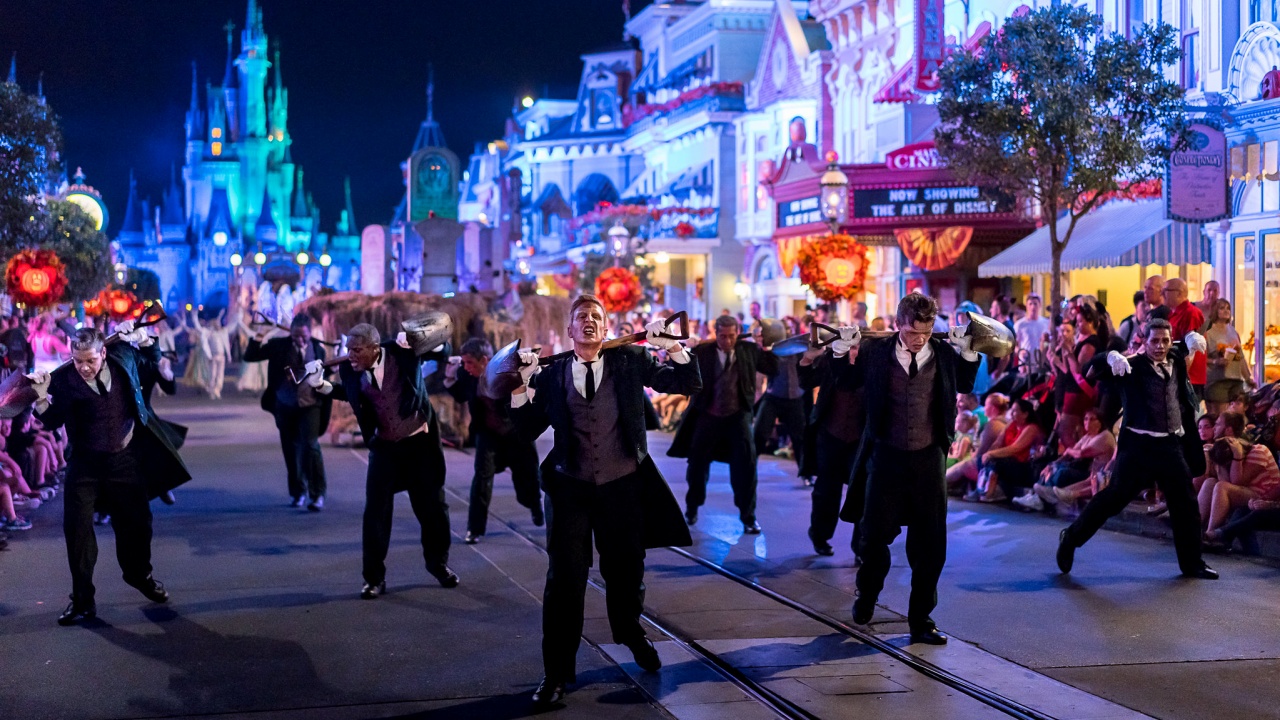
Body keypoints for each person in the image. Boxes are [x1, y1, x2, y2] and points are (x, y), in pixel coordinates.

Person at [508, 295, 701, 707]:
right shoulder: (553, 372)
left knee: (626, 571)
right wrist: (522, 386)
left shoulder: (630, 361)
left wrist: (670, 346)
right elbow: (523, 431)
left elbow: (687, 384)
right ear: (570, 330)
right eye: (582, 318)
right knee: (564, 580)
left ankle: (631, 632)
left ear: (607, 327)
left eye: (596, 316)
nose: (590, 322)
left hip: (622, 486)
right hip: (570, 486)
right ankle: (556, 673)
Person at [836, 293, 981, 646]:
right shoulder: (875, 352)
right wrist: (842, 351)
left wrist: (969, 351)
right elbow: (847, 383)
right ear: (899, 324)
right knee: (872, 538)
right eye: (914, 331)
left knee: (930, 544)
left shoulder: (944, 354)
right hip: (885, 454)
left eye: (928, 330)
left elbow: (965, 384)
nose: (920, 338)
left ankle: (921, 619)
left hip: (929, 457)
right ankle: (867, 593)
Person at [28, 325, 191, 626]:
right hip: (84, 465)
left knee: (138, 525)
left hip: (123, 458)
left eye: (90, 360)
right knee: (76, 531)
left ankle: (140, 575)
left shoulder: (123, 358)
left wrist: (144, 338)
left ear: (103, 352)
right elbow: (52, 421)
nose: (84, 367)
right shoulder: (63, 380)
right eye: (78, 361)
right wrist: (41, 397)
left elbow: (152, 357)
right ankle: (82, 601)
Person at [1057, 318, 1218, 580]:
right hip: (1138, 447)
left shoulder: (1175, 359)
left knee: (1185, 503)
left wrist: (1189, 338)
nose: (1160, 346)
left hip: (1169, 444)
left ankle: (1192, 564)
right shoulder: (1129, 366)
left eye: (1165, 340)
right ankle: (1071, 538)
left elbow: (1180, 347)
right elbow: (1090, 368)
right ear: (1144, 341)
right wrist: (1110, 356)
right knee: (1114, 498)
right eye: (1154, 341)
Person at [311, 323, 459, 598]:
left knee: (433, 509)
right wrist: (322, 386)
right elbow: (351, 394)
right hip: (385, 447)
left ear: (374, 348)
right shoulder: (350, 369)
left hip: (419, 445)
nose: (350, 355)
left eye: (356, 350)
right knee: (376, 513)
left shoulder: (403, 353)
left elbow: (444, 351)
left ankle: (439, 564)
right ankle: (374, 578)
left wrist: (427, 342)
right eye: (348, 350)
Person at [669, 314, 778, 533]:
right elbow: (678, 368)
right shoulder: (702, 351)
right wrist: (683, 348)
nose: (727, 341)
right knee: (697, 466)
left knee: (746, 467)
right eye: (722, 336)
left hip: (737, 416)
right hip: (707, 414)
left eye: (731, 336)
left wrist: (763, 347)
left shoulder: (748, 350)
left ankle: (748, 516)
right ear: (715, 334)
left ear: (738, 333)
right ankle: (692, 507)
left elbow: (772, 367)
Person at [444, 338, 543, 544]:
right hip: (488, 433)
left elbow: (535, 383)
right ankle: (475, 528)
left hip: (516, 433)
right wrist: (450, 377)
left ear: (485, 361)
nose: (466, 367)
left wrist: (533, 371)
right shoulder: (467, 374)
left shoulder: (505, 370)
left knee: (529, 475)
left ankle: (535, 506)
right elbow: (461, 394)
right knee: (481, 477)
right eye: (464, 363)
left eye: (470, 362)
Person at [244, 314, 332, 510]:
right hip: (285, 405)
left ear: (310, 333)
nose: (299, 340)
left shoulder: (318, 348)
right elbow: (250, 356)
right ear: (290, 333)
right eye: (295, 336)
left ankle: (317, 494)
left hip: (311, 405)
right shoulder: (278, 346)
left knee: (310, 446)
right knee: (290, 449)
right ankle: (298, 492)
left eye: (303, 336)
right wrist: (260, 336)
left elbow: (325, 376)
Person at [798, 340, 863, 558]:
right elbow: (807, 382)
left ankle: (861, 546)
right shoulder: (830, 361)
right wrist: (807, 359)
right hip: (830, 435)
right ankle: (820, 536)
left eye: (857, 347)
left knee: (862, 492)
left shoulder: (871, 364)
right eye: (850, 347)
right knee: (826, 492)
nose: (853, 352)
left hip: (860, 438)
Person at [752, 350, 807, 477]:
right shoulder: (775, 348)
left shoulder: (800, 350)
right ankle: (748, 467)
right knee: (760, 433)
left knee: (799, 438)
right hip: (773, 396)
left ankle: (805, 473)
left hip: (795, 398)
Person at [1203, 298, 1256, 414]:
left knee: (1237, 416)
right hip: (1217, 380)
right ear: (1216, 311)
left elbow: (1240, 357)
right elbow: (1201, 359)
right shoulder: (1208, 333)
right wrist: (1216, 361)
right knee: (1219, 416)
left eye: (1228, 308)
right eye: (1222, 308)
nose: (1226, 311)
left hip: (1236, 379)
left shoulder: (1233, 332)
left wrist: (1248, 378)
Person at [1165, 278, 1207, 403]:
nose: (1163, 294)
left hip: (1189, 377)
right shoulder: (1173, 314)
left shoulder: (1191, 313)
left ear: (1179, 293)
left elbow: (1191, 349)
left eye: (1166, 290)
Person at [1013, 293, 1050, 370]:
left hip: (1042, 362)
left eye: (1035, 304)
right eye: (1030, 304)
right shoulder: (1020, 324)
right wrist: (1020, 353)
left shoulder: (1046, 322)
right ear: (1026, 306)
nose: (1033, 307)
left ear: (1039, 305)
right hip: (1026, 363)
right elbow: (1014, 345)